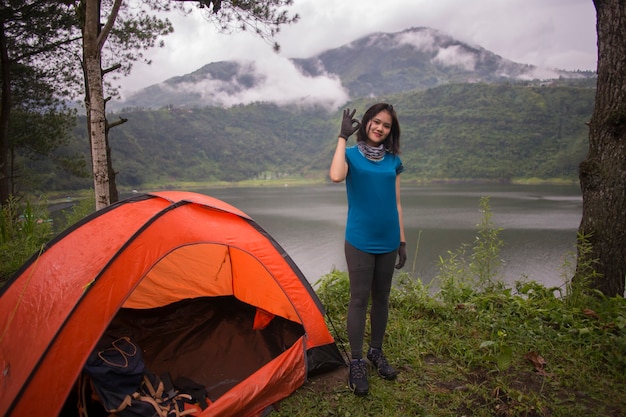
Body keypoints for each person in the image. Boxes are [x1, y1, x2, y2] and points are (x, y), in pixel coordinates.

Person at [329, 103, 407, 396]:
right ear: (367, 124)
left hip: (388, 239)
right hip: (360, 239)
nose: (380, 128)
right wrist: (342, 137)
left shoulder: (393, 161)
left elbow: (397, 203)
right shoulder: (349, 156)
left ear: (391, 131)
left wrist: (402, 240)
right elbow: (336, 176)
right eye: (376, 122)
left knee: (382, 298)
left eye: (386, 126)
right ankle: (357, 362)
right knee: (359, 299)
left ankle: (376, 352)